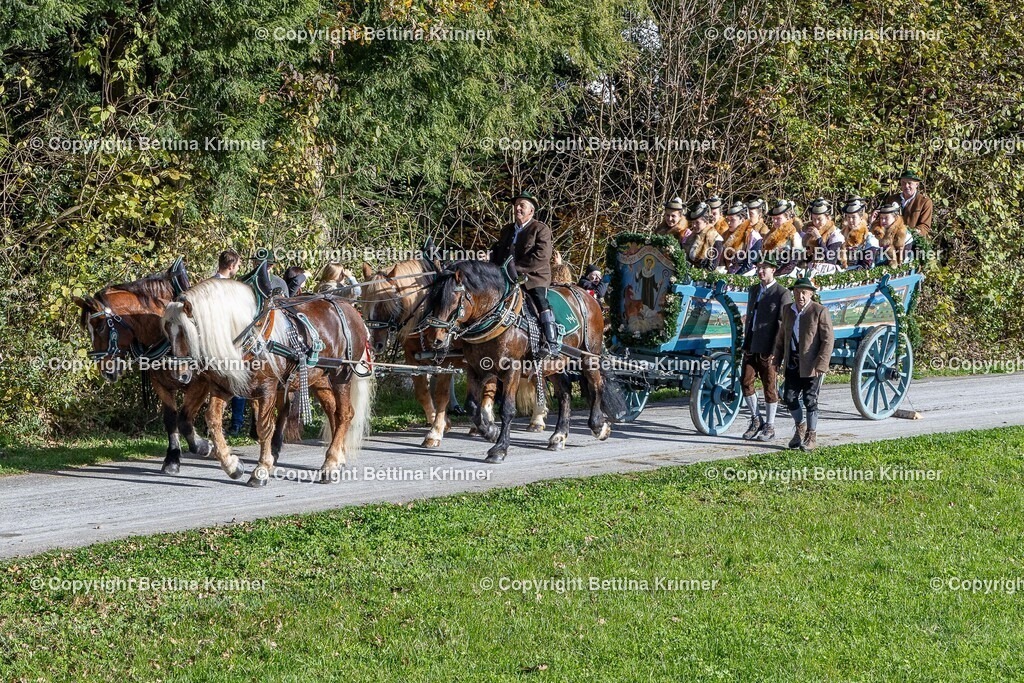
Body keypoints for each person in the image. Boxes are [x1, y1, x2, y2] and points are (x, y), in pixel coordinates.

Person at [490, 191, 557, 356]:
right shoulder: (506, 230)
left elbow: (542, 256)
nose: (517, 208)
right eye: (516, 205)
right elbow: (499, 252)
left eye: (522, 205)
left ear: (531, 211)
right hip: (505, 277)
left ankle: (551, 341)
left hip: (533, 278)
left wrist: (515, 269)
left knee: (540, 300)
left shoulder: (540, 229)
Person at [773, 277, 835, 451]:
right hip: (792, 362)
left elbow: (828, 340)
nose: (800, 296)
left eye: (804, 292)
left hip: (812, 364)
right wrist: (777, 359)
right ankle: (800, 428)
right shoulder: (787, 310)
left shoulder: (819, 311)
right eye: (797, 292)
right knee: (789, 398)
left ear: (811, 294)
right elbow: (782, 337)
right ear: (793, 292)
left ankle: (811, 435)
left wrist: (822, 364)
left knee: (810, 400)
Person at [740, 255, 792, 442]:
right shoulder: (754, 290)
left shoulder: (781, 293)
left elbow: (783, 324)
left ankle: (770, 425)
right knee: (745, 382)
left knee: (769, 386)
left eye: (765, 268)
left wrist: (776, 351)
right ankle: (756, 419)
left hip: (769, 347)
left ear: (774, 270)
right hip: (752, 343)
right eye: (759, 267)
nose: (761, 271)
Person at [874, 166, 933, 237]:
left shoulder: (924, 202)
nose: (906, 186)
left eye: (909, 183)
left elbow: (924, 226)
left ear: (917, 184)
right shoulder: (892, 199)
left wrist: (909, 234)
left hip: (913, 241)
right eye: (903, 183)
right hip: (891, 239)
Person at [802, 198, 844, 276]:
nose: (816, 222)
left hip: (829, 272)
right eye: (813, 219)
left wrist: (818, 238)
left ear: (828, 218)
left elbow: (830, 259)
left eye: (819, 219)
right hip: (812, 270)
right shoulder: (809, 232)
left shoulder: (835, 235)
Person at [761, 199, 803, 274]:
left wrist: (777, 273)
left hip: (786, 273)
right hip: (769, 271)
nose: (775, 221)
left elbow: (794, 261)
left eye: (778, 218)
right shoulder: (770, 235)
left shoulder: (794, 235)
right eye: (774, 218)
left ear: (787, 218)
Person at [723, 201, 761, 275]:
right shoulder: (729, 236)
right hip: (731, 271)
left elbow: (748, 265)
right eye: (728, 220)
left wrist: (734, 277)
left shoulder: (754, 237)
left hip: (747, 274)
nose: (729, 223)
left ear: (743, 220)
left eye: (732, 220)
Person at [840, 197, 879, 269]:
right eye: (848, 217)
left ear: (861, 218)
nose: (850, 220)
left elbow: (866, 265)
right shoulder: (841, 235)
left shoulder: (869, 238)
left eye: (854, 217)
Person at [683, 201, 724, 270]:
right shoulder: (691, 237)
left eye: (697, 223)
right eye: (693, 222)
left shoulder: (716, 240)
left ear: (706, 221)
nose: (694, 225)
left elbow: (712, 267)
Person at [872, 202, 911, 266]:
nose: (883, 221)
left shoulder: (903, 233)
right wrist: (871, 223)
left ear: (895, 218)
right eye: (881, 218)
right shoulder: (876, 228)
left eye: (886, 218)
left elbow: (903, 254)